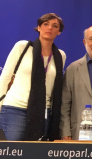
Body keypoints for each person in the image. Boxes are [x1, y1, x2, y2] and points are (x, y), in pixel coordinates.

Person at [0, 13, 66, 141]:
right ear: (39, 27)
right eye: (45, 24)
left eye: (55, 26)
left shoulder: (60, 56)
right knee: (13, 153)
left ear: (59, 32)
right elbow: (5, 77)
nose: (50, 28)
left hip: (43, 112)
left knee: (34, 155)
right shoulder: (22, 47)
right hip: (15, 109)